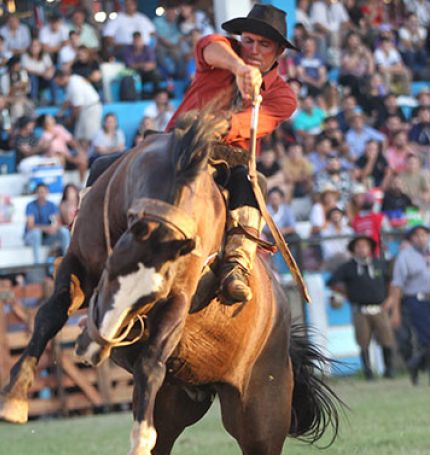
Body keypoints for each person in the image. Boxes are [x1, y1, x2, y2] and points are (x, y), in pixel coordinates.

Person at [163, 4, 299, 304]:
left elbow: (250, 125)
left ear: (278, 53)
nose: (253, 48)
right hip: (173, 145)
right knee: (106, 166)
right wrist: (240, 69)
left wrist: (215, 125)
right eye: (248, 40)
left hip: (227, 159)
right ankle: (84, 250)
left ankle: (236, 265)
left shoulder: (283, 97)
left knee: (253, 182)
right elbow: (208, 45)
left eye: (264, 44)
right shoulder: (223, 51)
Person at [386, 225, 430, 386]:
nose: (421, 238)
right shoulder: (405, 257)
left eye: (424, 234)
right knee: (429, 338)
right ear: (411, 240)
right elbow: (397, 284)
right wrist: (396, 310)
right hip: (416, 300)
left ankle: (415, 363)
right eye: (417, 236)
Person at [328, 235, 396, 380]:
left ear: (370, 248)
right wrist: (347, 294)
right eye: (358, 246)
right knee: (363, 341)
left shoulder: (379, 264)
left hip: (379, 308)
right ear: (353, 250)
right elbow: (332, 282)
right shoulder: (349, 267)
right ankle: (368, 372)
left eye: (364, 246)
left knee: (386, 339)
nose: (361, 249)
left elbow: (390, 280)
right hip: (360, 310)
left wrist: (390, 298)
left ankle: (389, 369)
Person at [24, 182, 63, 262]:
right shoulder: (30, 205)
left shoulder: (52, 205)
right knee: (36, 233)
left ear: (47, 192)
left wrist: (53, 228)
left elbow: (57, 222)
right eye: (39, 192)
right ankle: (37, 264)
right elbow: (30, 226)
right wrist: (46, 228)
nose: (41, 194)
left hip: (47, 237)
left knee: (64, 232)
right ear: (36, 193)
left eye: (43, 192)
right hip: (32, 237)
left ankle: (67, 260)